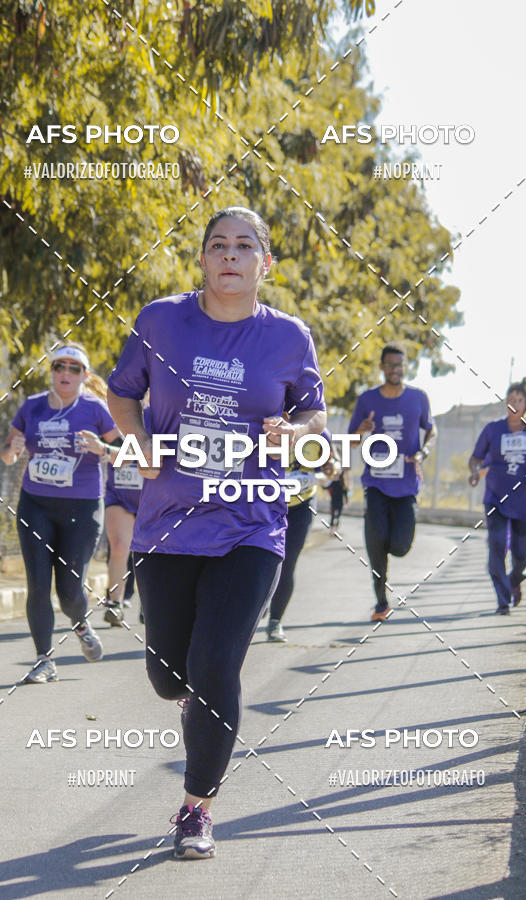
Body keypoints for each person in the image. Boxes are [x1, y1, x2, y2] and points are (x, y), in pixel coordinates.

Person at [107, 207, 326, 860]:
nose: (230, 255)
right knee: (169, 677)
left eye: (244, 246)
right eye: (217, 245)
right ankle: (190, 708)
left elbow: (315, 414)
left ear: (266, 263)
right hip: (166, 526)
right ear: (202, 259)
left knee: (215, 666)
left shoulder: (288, 336)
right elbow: (122, 395)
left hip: (250, 523)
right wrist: (138, 439)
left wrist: (297, 432)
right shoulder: (160, 320)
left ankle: (197, 806)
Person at [1, 343, 119, 682]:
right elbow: (8, 452)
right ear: (51, 371)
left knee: (69, 591)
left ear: (84, 375)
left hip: (81, 509)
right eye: (59, 367)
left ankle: (80, 624)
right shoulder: (33, 406)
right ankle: (44, 660)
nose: (65, 374)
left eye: (74, 368)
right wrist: (13, 450)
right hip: (35, 504)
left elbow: (126, 452)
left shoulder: (96, 409)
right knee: (37, 585)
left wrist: (102, 448)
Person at [347, 342, 436, 622]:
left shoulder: (418, 398)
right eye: (390, 365)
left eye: (400, 365)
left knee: (399, 545)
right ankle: (381, 602)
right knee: (376, 543)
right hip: (375, 483)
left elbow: (432, 431)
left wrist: (422, 453)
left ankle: (384, 541)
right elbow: (350, 440)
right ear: (382, 367)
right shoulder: (367, 400)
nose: (395, 369)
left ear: (405, 367)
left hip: (407, 484)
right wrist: (361, 429)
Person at [468, 378, 526, 613]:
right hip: (496, 497)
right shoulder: (493, 429)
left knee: (520, 557)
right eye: (510, 400)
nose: (514, 404)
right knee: (496, 545)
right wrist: (475, 471)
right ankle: (503, 601)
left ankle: (515, 578)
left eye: (519, 400)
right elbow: (475, 457)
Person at [266, 432, 337, 641]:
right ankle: (258, 603)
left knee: (287, 562)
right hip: (265, 502)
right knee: (260, 558)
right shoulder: (268, 422)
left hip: (302, 505)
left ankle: (275, 621)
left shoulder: (321, 433)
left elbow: (331, 469)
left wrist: (329, 470)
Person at [102, 405, 151, 626]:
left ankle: (149, 603)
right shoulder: (110, 414)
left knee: (149, 553)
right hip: (119, 493)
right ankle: (115, 604)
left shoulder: (159, 416)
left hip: (151, 496)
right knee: (120, 546)